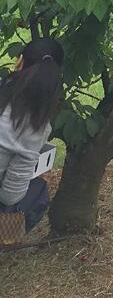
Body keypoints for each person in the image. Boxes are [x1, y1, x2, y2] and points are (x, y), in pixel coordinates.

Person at [0, 37, 64, 234]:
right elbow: (11, 196)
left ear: (19, 62)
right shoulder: (35, 128)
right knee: (37, 191)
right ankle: (7, 236)